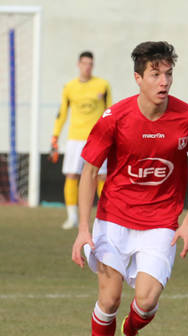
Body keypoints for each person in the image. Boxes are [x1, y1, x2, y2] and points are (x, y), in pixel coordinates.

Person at [71, 41, 188, 336]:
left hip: (161, 222)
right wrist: (82, 229)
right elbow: (89, 170)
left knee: (147, 301)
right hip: (114, 219)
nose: (163, 81)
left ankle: (131, 332)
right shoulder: (114, 118)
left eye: (168, 74)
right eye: (155, 74)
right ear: (138, 78)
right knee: (109, 301)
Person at [49, 51, 112, 229]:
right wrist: (55, 136)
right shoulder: (69, 87)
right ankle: (72, 217)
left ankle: (107, 216)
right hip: (75, 138)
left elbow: (110, 112)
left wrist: (113, 137)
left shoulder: (103, 85)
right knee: (72, 174)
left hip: (98, 138)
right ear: (78, 64)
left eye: (90, 63)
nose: (87, 66)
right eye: (84, 63)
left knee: (101, 176)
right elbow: (62, 113)